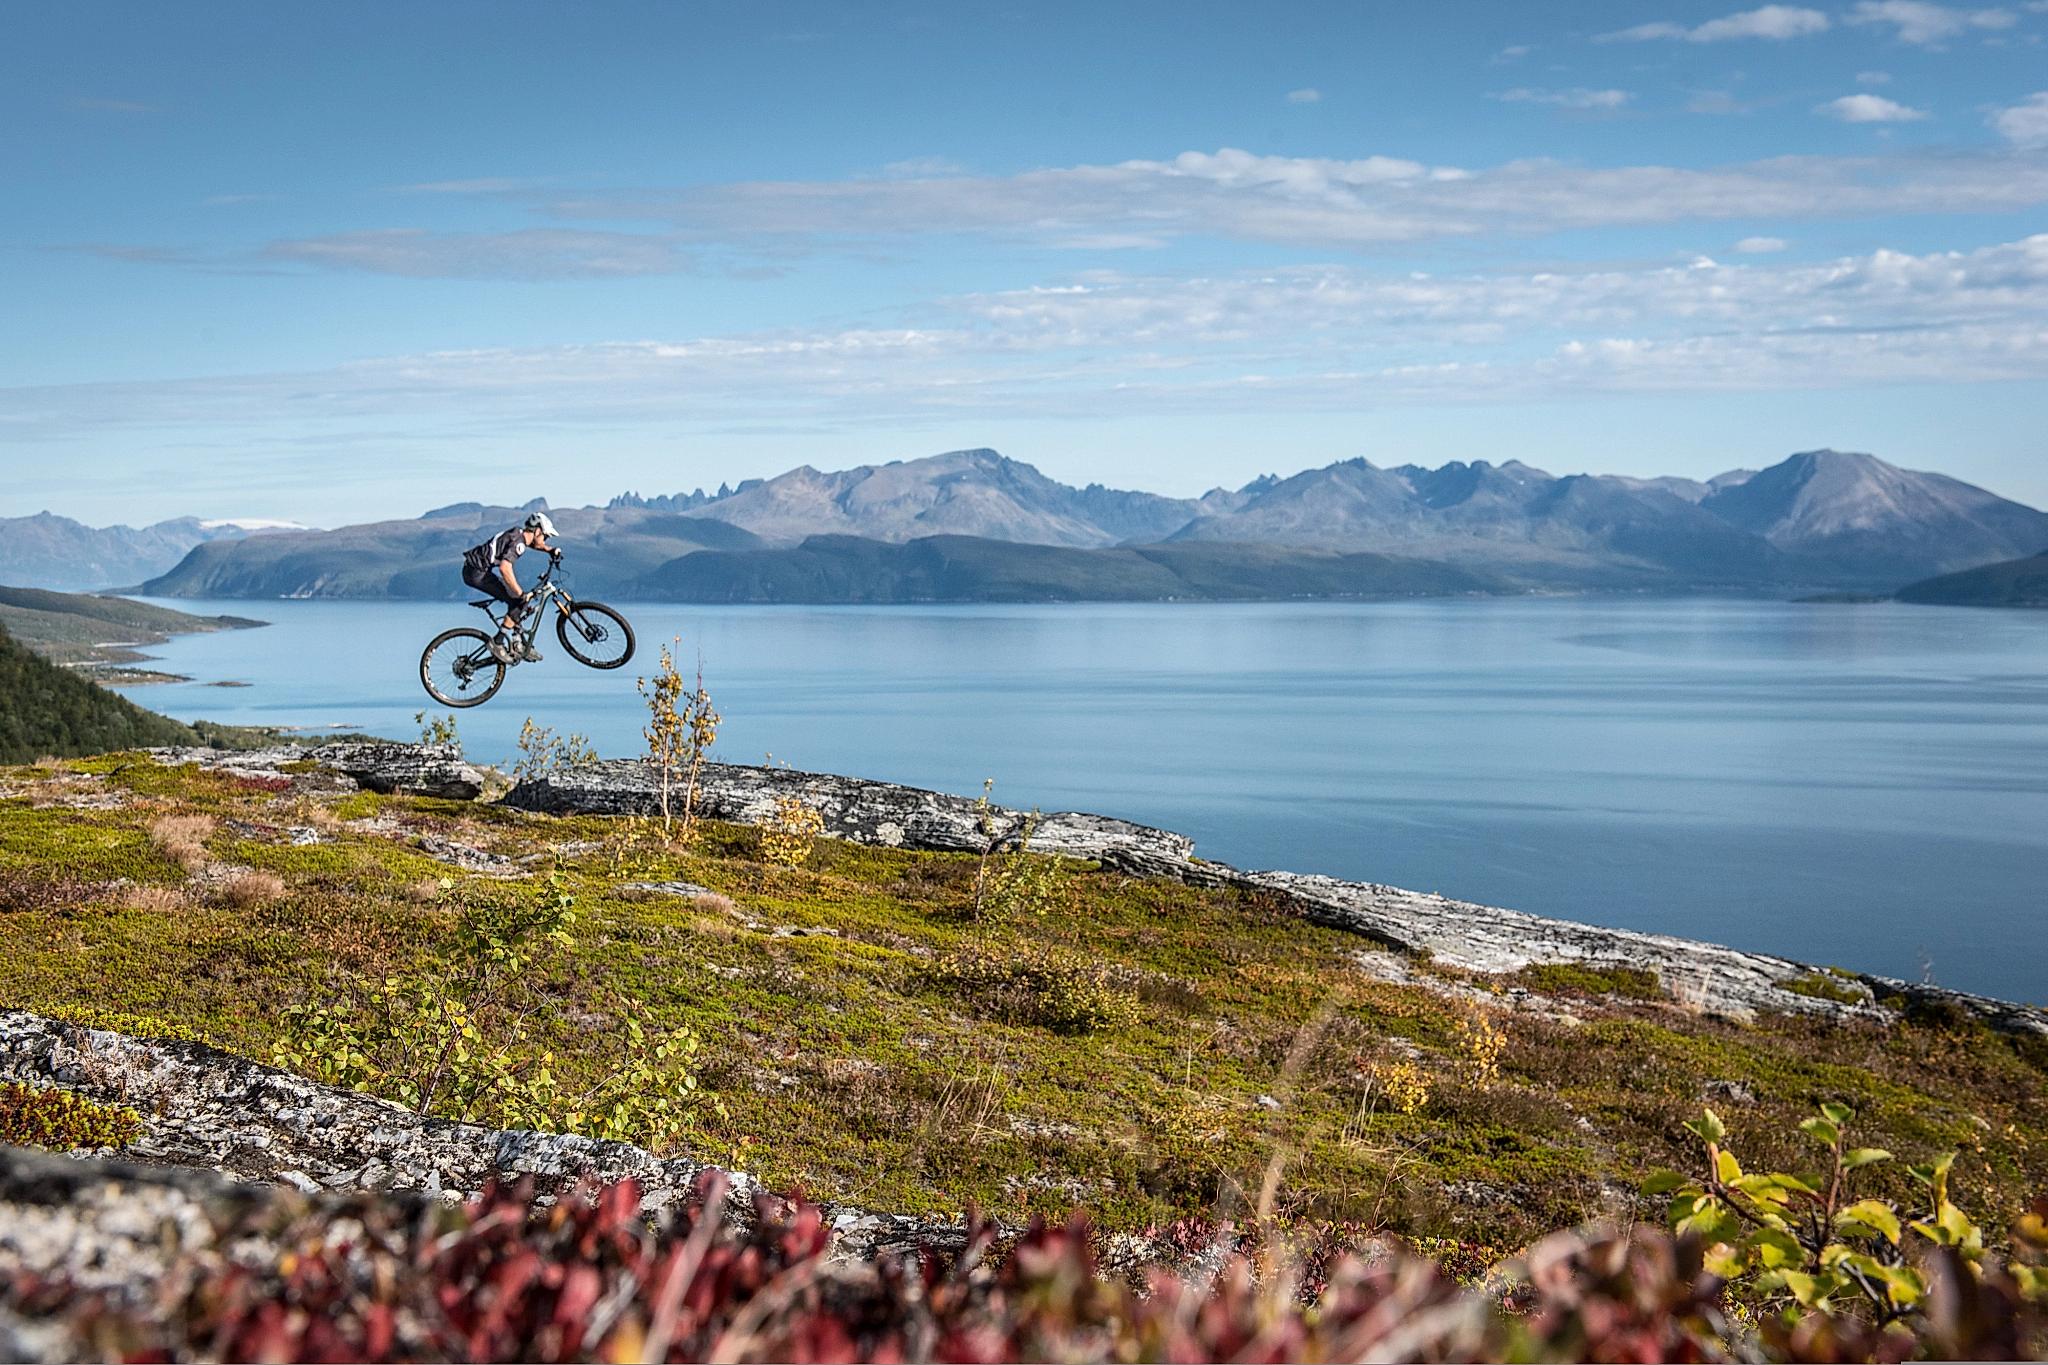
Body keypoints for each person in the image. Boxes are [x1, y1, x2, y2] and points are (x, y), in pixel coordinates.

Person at [462, 511, 558, 664]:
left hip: (474, 570)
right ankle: (498, 642)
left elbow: (534, 543)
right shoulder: (519, 543)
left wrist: (549, 549)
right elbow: (505, 569)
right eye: (545, 536)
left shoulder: (518, 535)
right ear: (538, 531)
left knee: (518, 602)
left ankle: (517, 642)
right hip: (476, 573)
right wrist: (520, 593)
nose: (545, 539)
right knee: (519, 600)